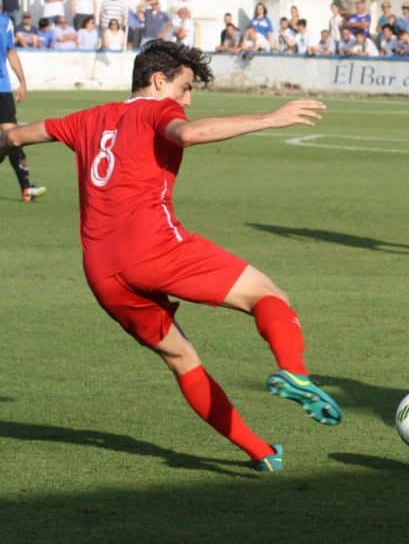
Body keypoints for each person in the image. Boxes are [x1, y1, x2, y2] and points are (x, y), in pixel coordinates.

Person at [0, 41, 343, 470]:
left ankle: (261, 452)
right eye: (184, 88)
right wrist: (269, 118)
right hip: (153, 247)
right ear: (158, 81)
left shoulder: (87, 118)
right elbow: (188, 133)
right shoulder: (155, 111)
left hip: (102, 273)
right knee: (267, 294)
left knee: (181, 358)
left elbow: (12, 135)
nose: (187, 99)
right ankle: (294, 371)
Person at [0, 14, 45, 201]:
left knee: (13, 138)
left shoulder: (5, 22)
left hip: (2, 89)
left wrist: (22, 81)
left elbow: (11, 52)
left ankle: (26, 188)